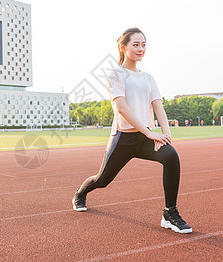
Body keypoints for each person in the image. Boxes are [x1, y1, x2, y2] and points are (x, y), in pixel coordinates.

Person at [72, 28, 192, 234]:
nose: (141, 48)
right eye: (135, 44)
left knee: (171, 156)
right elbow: (122, 108)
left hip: (146, 138)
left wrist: (166, 133)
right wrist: (149, 132)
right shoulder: (115, 75)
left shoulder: (148, 78)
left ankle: (169, 213)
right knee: (102, 180)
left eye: (144, 44)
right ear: (123, 47)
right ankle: (80, 193)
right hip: (123, 139)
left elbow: (158, 106)